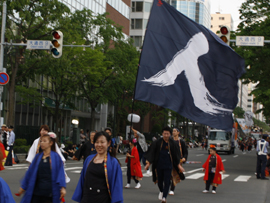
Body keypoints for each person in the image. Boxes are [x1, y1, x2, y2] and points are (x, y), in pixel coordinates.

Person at [72, 131, 123, 203]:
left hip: (103, 199)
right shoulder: (89, 159)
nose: (99, 145)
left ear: (108, 143)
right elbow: (83, 181)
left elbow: (117, 187)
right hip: (87, 199)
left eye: (102, 142)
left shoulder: (113, 163)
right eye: (97, 142)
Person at [17, 133, 66, 203]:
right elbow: (30, 172)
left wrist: (62, 187)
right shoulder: (37, 157)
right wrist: (23, 186)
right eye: (41, 141)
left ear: (51, 143)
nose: (42, 143)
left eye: (44, 141)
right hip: (37, 192)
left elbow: (60, 173)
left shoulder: (56, 157)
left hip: (50, 193)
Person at [144, 126, 184, 203]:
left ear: (170, 134)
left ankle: (164, 197)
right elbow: (152, 152)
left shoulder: (173, 143)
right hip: (159, 165)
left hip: (168, 166)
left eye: (167, 134)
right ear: (162, 134)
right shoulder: (157, 142)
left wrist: (179, 165)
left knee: (167, 181)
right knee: (159, 181)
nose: (166, 135)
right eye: (164, 133)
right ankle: (161, 191)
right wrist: (148, 163)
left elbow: (176, 155)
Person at [169, 128, 188, 195]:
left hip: (178, 161)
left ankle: (172, 189)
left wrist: (184, 158)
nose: (173, 132)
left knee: (175, 174)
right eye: (173, 131)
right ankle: (166, 187)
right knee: (168, 175)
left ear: (178, 133)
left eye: (175, 131)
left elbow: (185, 152)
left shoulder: (181, 142)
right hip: (170, 160)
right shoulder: (169, 141)